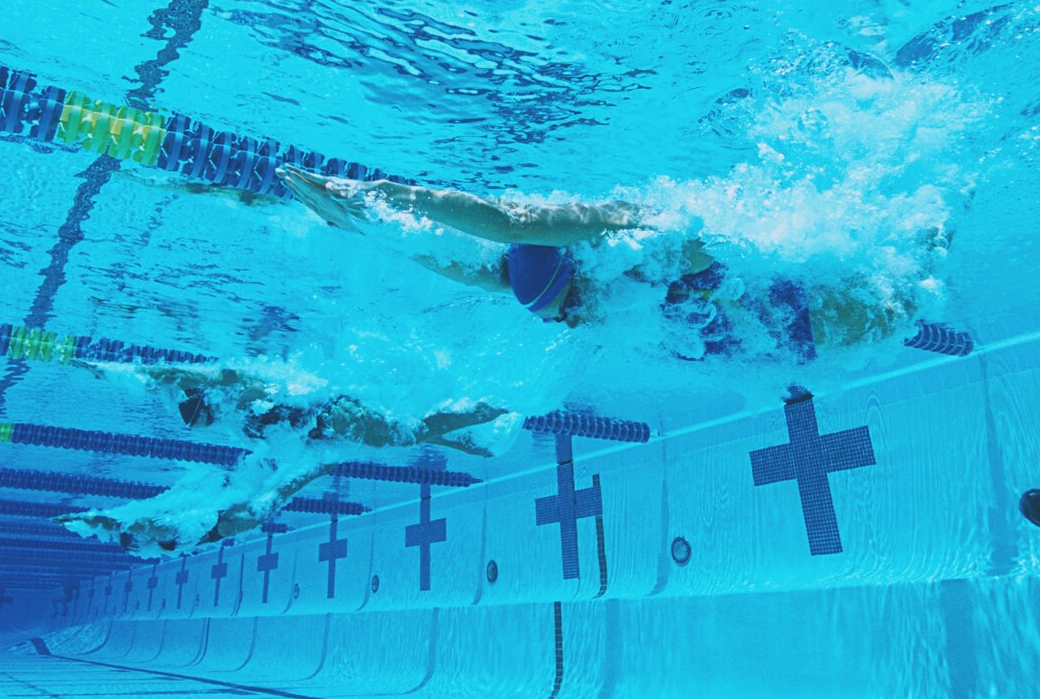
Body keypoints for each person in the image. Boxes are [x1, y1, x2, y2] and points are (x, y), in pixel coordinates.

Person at [276, 164, 941, 362]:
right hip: (753, 344)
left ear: (576, 275)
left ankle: (940, 212)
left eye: (565, 311)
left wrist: (391, 194)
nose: (569, 325)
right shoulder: (569, 290)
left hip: (785, 309)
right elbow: (470, 267)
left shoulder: (639, 241)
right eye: (556, 319)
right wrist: (369, 227)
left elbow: (512, 220)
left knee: (900, 304)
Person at [60, 360, 509, 555]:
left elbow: (180, 377)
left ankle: (493, 405)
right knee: (403, 435)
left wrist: (110, 372)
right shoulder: (235, 508)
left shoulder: (232, 393)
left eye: (196, 414)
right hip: (316, 436)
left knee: (401, 434)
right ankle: (481, 423)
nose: (198, 425)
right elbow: (289, 479)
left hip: (322, 415)